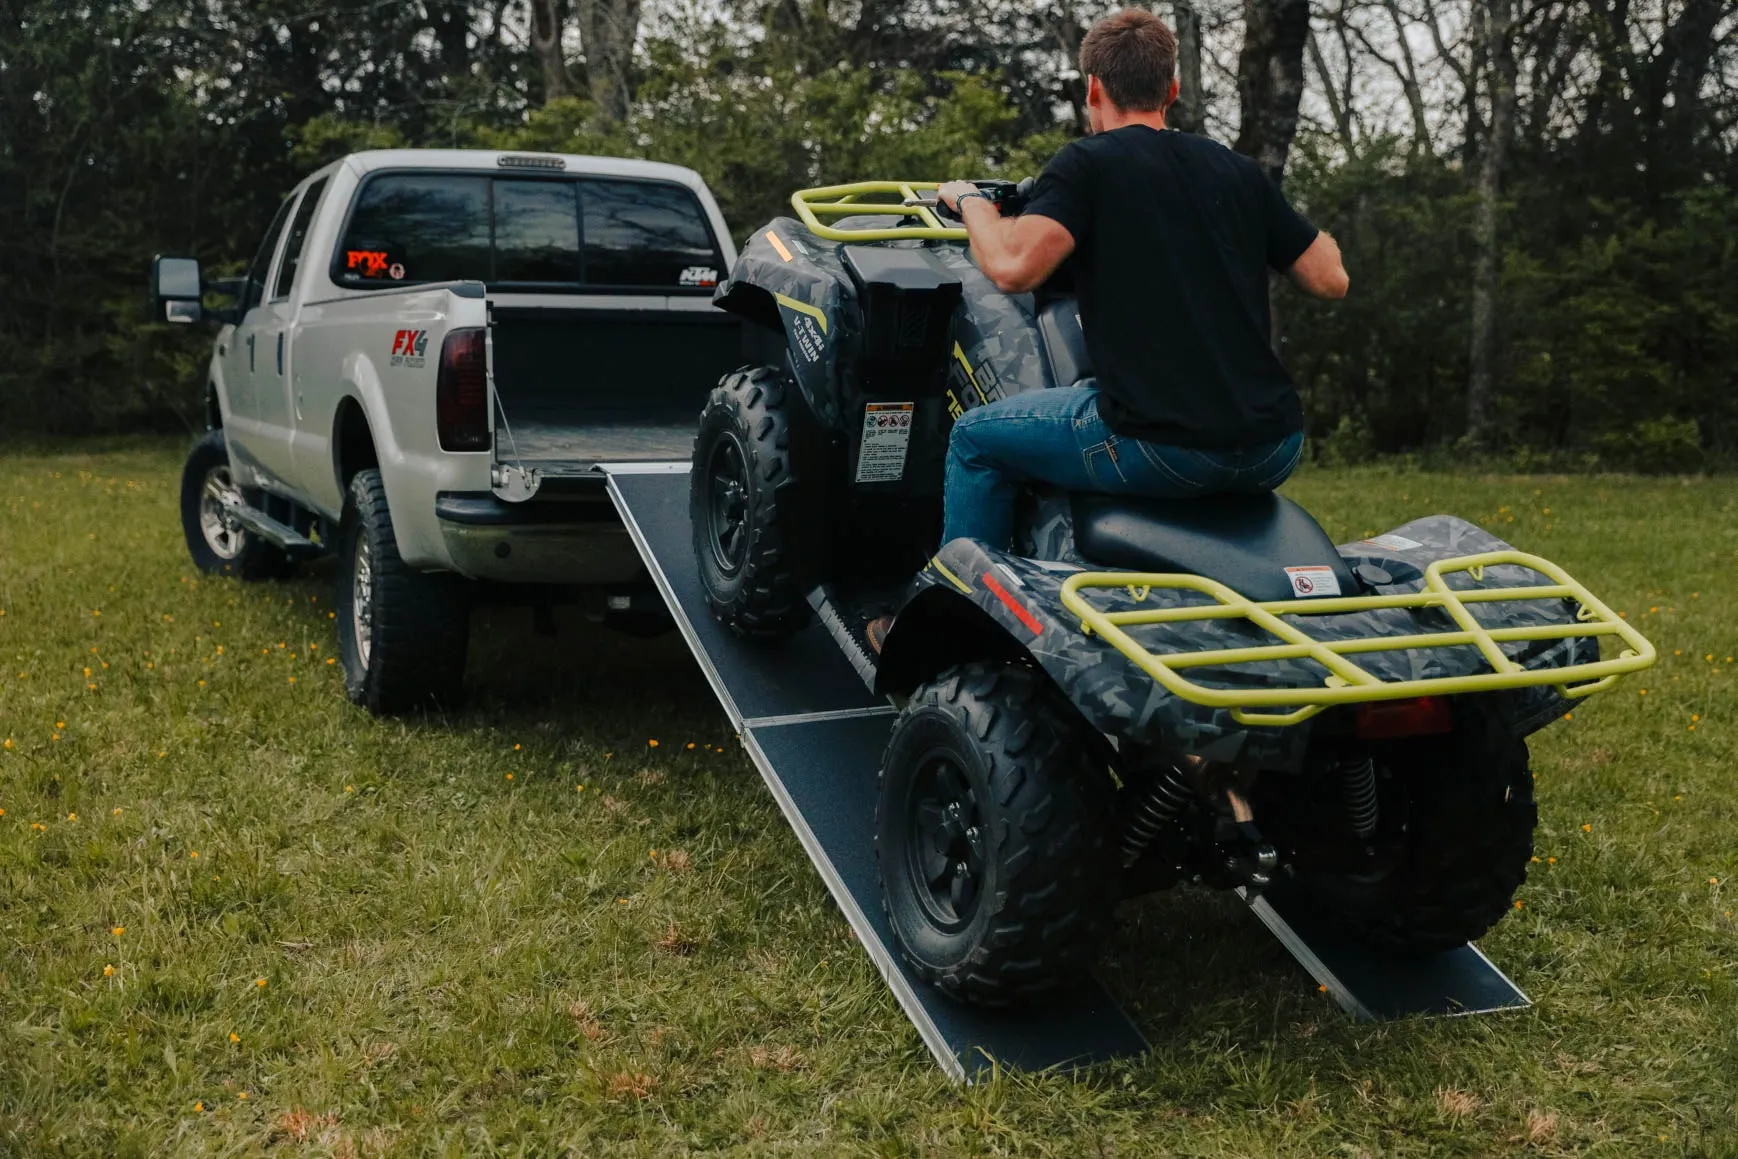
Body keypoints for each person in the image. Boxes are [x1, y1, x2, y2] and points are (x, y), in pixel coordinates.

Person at [867, 7, 1347, 653]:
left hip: (1164, 446)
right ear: (1172, 89)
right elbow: (1330, 278)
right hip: (1271, 447)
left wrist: (973, 203)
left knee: (978, 438)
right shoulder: (1236, 171)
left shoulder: (1087, 165)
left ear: (1093, 87)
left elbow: (1012, 266)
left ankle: (956, 621)